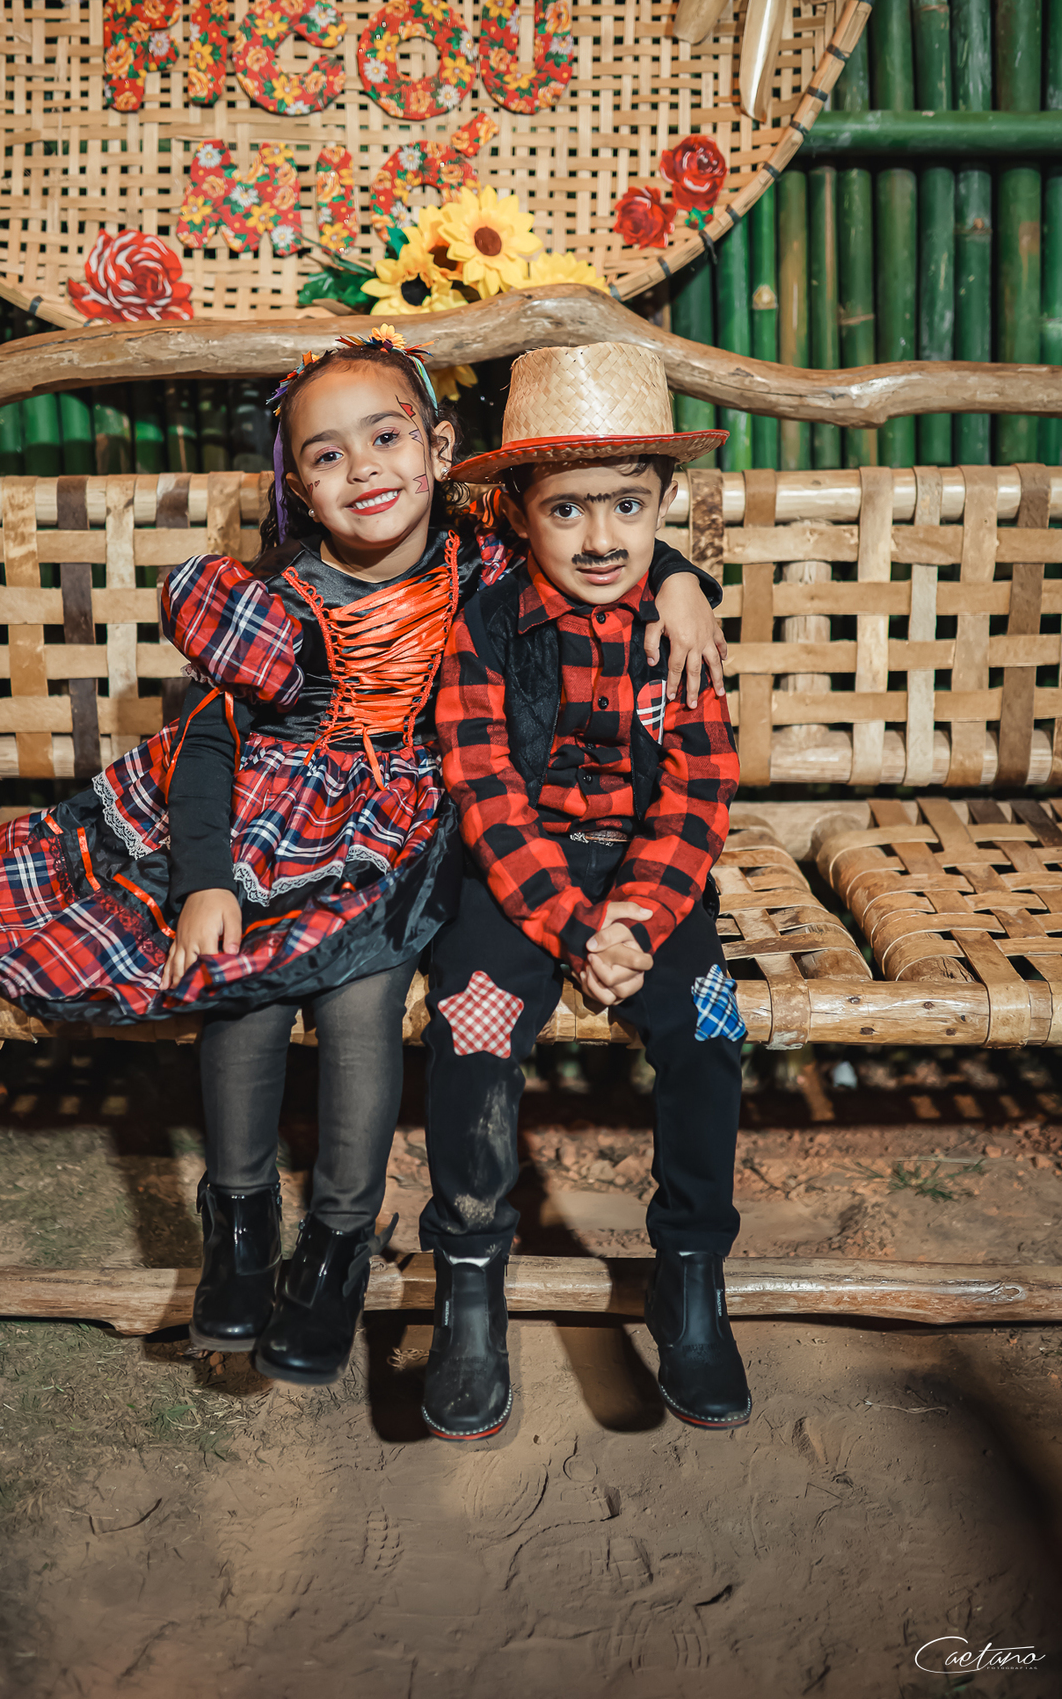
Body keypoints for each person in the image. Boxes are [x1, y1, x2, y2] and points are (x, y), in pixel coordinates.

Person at [0, 327, 725, 1388]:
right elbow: (208, 741)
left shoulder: (485, 562)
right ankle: (239, 1231)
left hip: (396, 838)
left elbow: (592, 524)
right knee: (242, 992)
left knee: (363, 1000)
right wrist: (205, 881)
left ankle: (339, 1245)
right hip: (263, 832)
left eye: (386, 437)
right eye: (327, 454)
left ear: (440, 451)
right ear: (301, 489)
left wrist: (680, 579)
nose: (363, 469)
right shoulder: (275, 598)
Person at [417, 341, 749, 1444]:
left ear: (664, 505)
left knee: (711, 1026)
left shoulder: (678, 628)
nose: (602, 537)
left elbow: (700, 789)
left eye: (628, 507)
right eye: (567, 510)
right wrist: (574, 929)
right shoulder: (485, 628)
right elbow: (484, 792)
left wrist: (639, 919)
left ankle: (690, 1271)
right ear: (519, 512)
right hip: (521, 875)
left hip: (650, 879)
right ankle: (470, 1281)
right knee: (471, 1027)